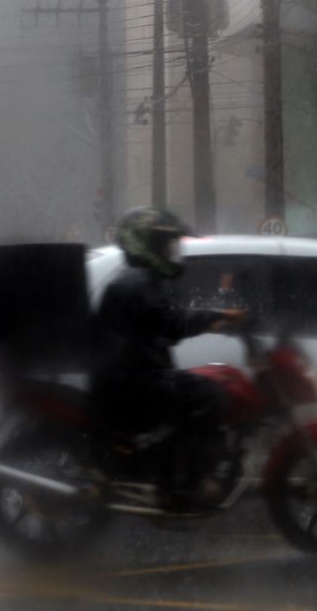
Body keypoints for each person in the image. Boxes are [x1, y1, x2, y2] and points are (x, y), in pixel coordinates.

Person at [90, 207, 243, 508]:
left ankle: (174, 471)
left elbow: (165, 326)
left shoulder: (138, 279)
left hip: (133, 374)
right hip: (132, 381)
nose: (171, 251)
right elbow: (171, 324)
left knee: (198, 389)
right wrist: (218, 316)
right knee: (210, 395)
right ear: (145, 244)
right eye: (164, 244)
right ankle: (191, 481)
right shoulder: (137, 283)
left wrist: (214, 319)